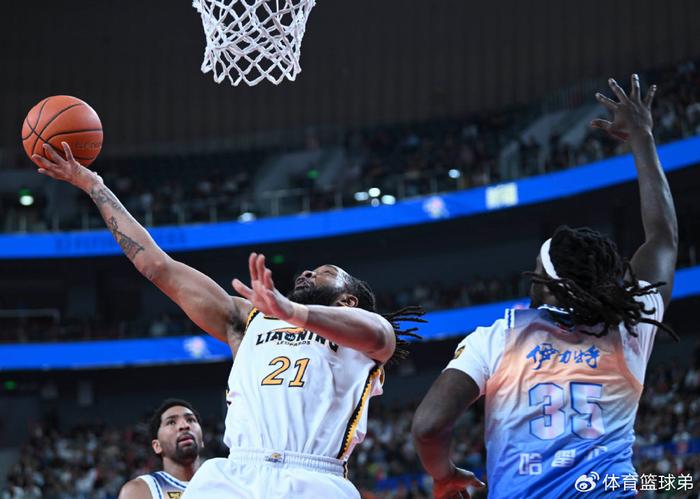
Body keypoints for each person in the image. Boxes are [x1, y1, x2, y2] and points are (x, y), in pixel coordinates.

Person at [33, 148, 423, 498]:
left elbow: (382, 334)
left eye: (324, 272)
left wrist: (293, 312)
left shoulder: (364, 339)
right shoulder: (250, 320)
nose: (307, 273)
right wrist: (94, 185)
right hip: (237, 474)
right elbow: (157, 265)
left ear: (348, 300)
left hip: (314, 477)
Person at [411, 74, 678, 499]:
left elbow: (428, 426)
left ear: (547, 284)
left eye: (536, 269)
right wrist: (642, 138)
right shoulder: (630, 323)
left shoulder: (498, 337)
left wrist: (444, 474)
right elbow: (662, 238)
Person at [119, 399, 205, 499]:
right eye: (171, 422)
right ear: (157, 446)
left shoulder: (219, 478)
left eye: (190, 420)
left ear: (202, 441)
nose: (184, 426)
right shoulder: (140, 490)